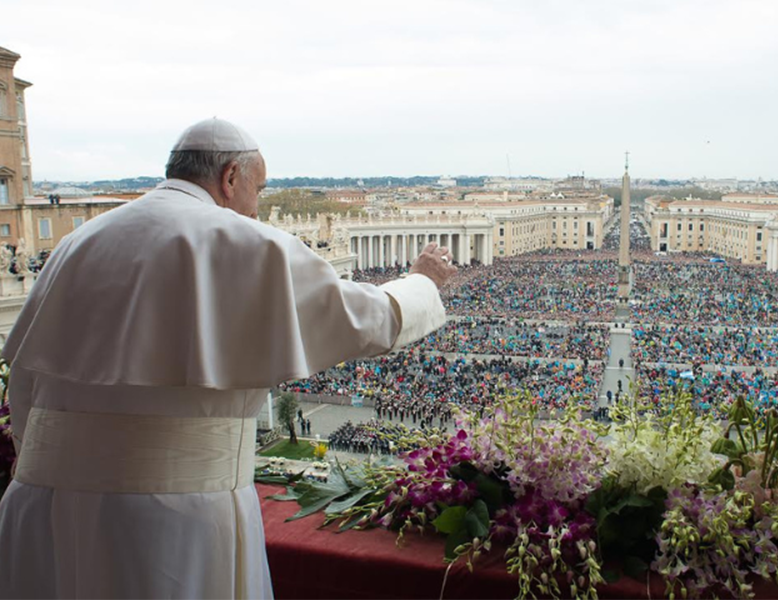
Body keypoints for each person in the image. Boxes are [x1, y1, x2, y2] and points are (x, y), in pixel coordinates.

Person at [0, 118, 458, 600]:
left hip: (42, 508)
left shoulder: (77, 243)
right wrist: (422, 282)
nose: (257, 206)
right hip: (170, 520)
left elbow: (26, 385)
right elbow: (363, 319)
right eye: (258, 189)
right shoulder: (244, 242)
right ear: (231, 178)